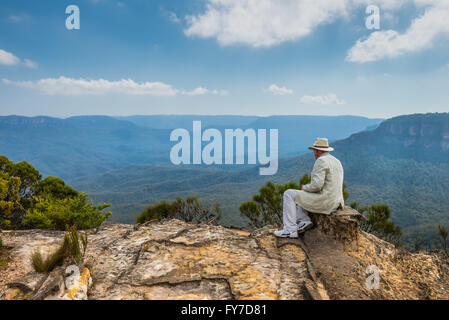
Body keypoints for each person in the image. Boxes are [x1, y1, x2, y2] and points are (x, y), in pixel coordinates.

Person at [274, 138, 345, 238]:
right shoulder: (336, 161)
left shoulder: (321, 161)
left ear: (316, 151)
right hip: (336, 202)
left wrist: (305, 187)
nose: (314, 153)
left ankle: (290, 230)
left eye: (314, 151)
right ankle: (304, 221)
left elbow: (316, 186)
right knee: (300, 195)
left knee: (289, 193)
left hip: (325, 202)